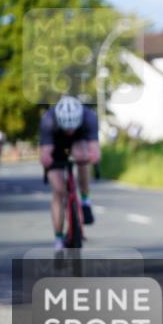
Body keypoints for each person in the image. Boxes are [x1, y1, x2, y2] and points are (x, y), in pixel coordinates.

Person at [39, 96, 100, 250]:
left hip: (79, 140)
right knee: (59, 191)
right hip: (56, 144)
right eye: (67, 128)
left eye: (72, 127)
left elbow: (95, 149)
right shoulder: (48, 120)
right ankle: (59, 239)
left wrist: (92, 157)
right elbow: (45, 153)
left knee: (81, 156)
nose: (69, 131)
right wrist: (46, 160)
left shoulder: (89, 117)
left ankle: (85, 200)